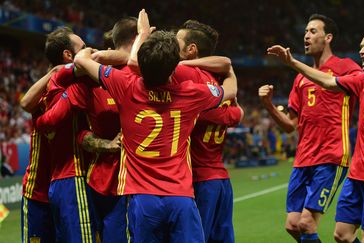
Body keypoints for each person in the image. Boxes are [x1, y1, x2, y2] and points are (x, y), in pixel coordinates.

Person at [73, 9, 238, 243]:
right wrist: (230, 72)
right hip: (180, 196)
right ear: (175, 68)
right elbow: (230, 90)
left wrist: (138, 34)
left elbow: (82, 59)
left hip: (142, 198)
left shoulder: (124, 85)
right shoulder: (191, 93)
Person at [267, 29, 364, 243]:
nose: (361, 50)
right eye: (361, 46)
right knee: (342, 235)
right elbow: (327, 82)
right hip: (357, 172)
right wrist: (292, 63)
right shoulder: (362, 80)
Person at [34, 17, 139, 243]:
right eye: (85, 48)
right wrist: (108, 146)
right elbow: (67, 128)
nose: (93, 51)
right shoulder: (82, 83)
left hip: (129, 182)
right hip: (94, 181)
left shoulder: (138, 75)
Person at [259, 14, 361, 243]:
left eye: (313, 31)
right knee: (293, 225)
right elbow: (289, 126)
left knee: (307, 223)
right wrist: (268, 105)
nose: (306, 35)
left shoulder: (345, 67)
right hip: (303, 158)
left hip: (331, 156)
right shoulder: (300, 80)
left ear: (328, 37)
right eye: (305, 31)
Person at [175, 20, 244, 243]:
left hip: (199, 179)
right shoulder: (219, 82)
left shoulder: (188, 75)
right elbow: (238, 115)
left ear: (191, 50)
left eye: (176, 41)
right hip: (221, 181)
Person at [20, 26, 89, 243]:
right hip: (38, 192)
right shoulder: (44, 94)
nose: (88, 51)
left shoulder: (78, 86)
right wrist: (52, 73)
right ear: (68, 55)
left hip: (66, 187)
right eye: (83, 48)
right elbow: (24, 103)